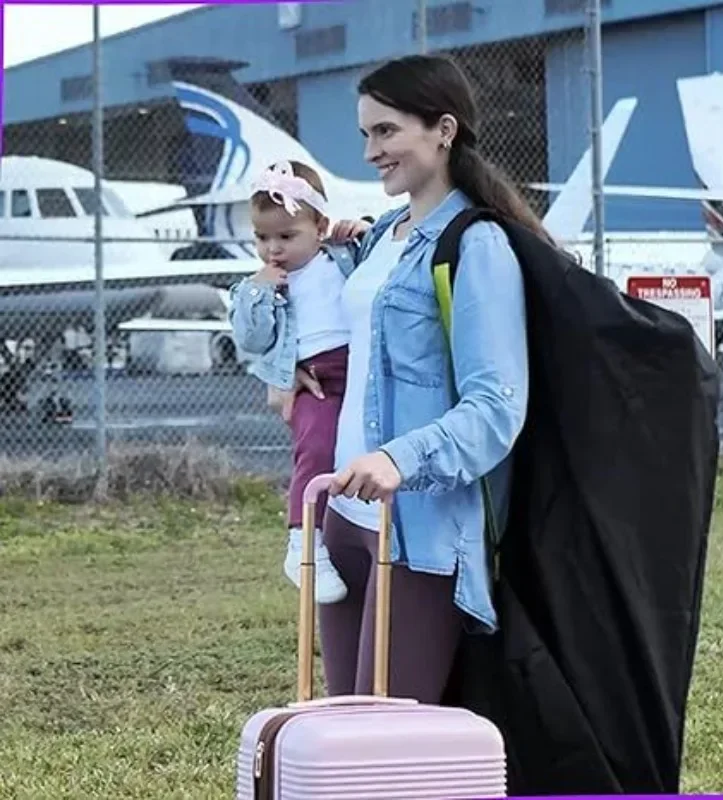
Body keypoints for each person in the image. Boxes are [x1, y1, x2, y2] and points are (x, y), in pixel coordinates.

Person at [297, 53, 553, 705]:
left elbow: (495, 407)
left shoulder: (476, 245)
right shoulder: (382, 235)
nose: (371, 151)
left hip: (418, 530)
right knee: (342, 725)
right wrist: (298, 364)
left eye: (386, 131)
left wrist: (398, 459)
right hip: (344, 515)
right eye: (365, 134)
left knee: (383, 738)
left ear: (443, 130)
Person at [228, 159, 369, 605]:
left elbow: (381, 268)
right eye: (261, 237)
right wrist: (259, 290)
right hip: (314, 382)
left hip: (360, 370)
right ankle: (304, 543)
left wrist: (364, 230)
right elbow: (252, 340)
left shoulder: (341, 257)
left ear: (320, 227)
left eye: (286, 237)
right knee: (317, 449)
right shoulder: (264, 287)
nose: (273, 249)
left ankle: (363, 533)